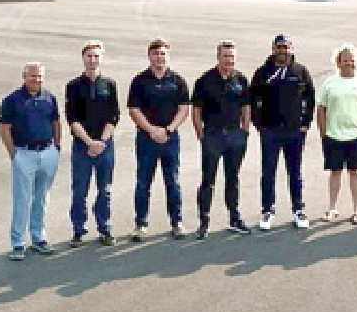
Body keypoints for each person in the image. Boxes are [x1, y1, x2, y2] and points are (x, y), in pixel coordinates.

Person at [250, 34, 316, 230]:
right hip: (270, 132)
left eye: (286, 47)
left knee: (295, 172)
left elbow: (310, 98)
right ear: (273, 49)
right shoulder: (263, 72)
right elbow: (253, 100)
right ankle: (268, 210)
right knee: (268, 172)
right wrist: (259, 124)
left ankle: (298, 209)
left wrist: (306, 123)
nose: (282, 50)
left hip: (295, 132)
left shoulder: (300, 71)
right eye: (279, 47)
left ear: (291, 49)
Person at [0, 62, 62, 260]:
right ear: (24, 77)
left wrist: (56, 147)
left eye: (40, 76)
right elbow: (5, 128)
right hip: (24, 153)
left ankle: (39, 238)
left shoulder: (49, 98)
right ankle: (18, 243)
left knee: (42, 197)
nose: (37, 80)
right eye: (33, 76)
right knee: (22, 199)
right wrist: (14, 154)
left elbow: (56, 122)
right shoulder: (12, 100)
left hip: (47, 152)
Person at [127, 38, 190, 240]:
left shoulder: (177, 81)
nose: (159, 57)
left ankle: (177, 222)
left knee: (173, 181)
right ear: (149, 56)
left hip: (170, 139)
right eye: (155, 53)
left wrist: (168, 130)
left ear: (167, 56)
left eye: (163, 53)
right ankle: (141, 224)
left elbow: (183, 109)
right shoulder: (139, 81)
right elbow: (134, 109)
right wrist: (152, 130)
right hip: (147, 139)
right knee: (143, 182)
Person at [191, 40, 253, 239]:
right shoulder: (205, 80)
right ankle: (204, 221)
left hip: (235, 136)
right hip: (213, 136)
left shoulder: (241, 79)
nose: (229, 60)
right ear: (218, 57)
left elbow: (245, 106)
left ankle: (234, 217)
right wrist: (200, 134)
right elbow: (197, 110)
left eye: (232, 57)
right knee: (208, 180)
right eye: (226, 56)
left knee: (232, 178)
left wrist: (245, 131)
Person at [315, 43, 357, 223]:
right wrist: (324, 133)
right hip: (333, 136)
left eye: (352, 60)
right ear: (338, 62)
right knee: (335, 172)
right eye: (345, 60)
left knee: (354, 172)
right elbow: (321, 109)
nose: (349, 63)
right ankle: (332, 208)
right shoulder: (329, 83)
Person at [65, 41, 119, 247]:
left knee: (105, 190)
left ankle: (104, 228)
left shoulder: (110, 84)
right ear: (83, 58)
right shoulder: (74, 86)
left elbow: (114, 116)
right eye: (89, 56)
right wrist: (88, 142)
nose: (93, 59)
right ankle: (79, 230)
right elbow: (72, 119)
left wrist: (102, 142)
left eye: (96, 56)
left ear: (101, 58)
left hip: (105, 145)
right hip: (82, 146)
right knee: (80, 190)